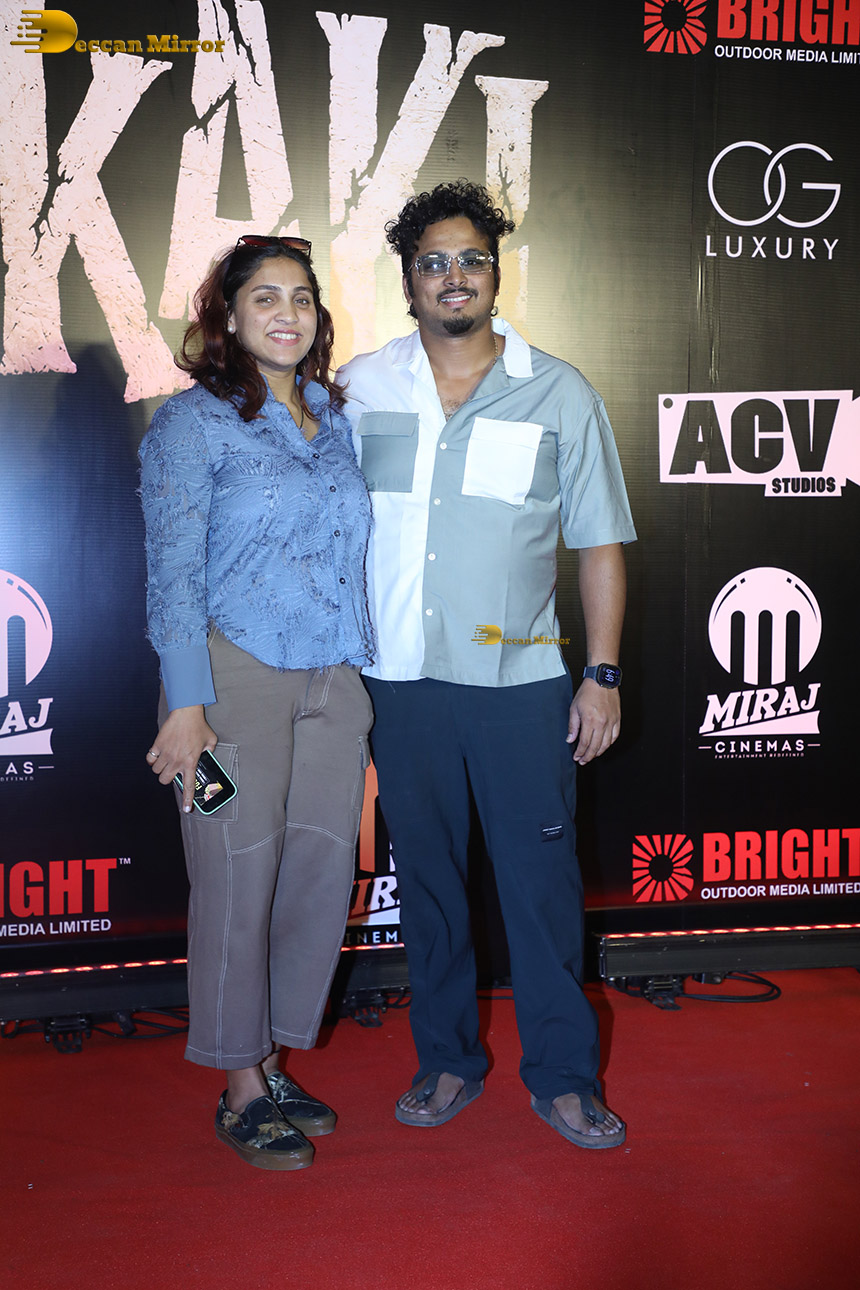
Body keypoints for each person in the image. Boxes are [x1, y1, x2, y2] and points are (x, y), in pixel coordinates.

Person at [339, 180, 636, 1149]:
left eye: (470, 258)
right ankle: (447, 1061)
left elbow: (598, 543)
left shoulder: (559, 391)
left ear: (496, 274)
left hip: (520, 686)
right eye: (433, 263)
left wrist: (601, 675)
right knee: (426, 886)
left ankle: (564, 1077)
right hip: (399, 685)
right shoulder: (360, 388)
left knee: (540, 888)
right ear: (408, 282)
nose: (453, 276)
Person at [139, 235, 374, 1170]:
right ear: (228, 317)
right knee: (236, 879)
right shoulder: (190, 424)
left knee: (316, 876)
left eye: (302, 298)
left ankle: (272, 1061)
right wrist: (186, 707)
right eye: (265, 297)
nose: (287, 313)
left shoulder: (335, 418)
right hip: (228, 681)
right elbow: (171, 575)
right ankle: (239, 1084)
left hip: (334, 684)